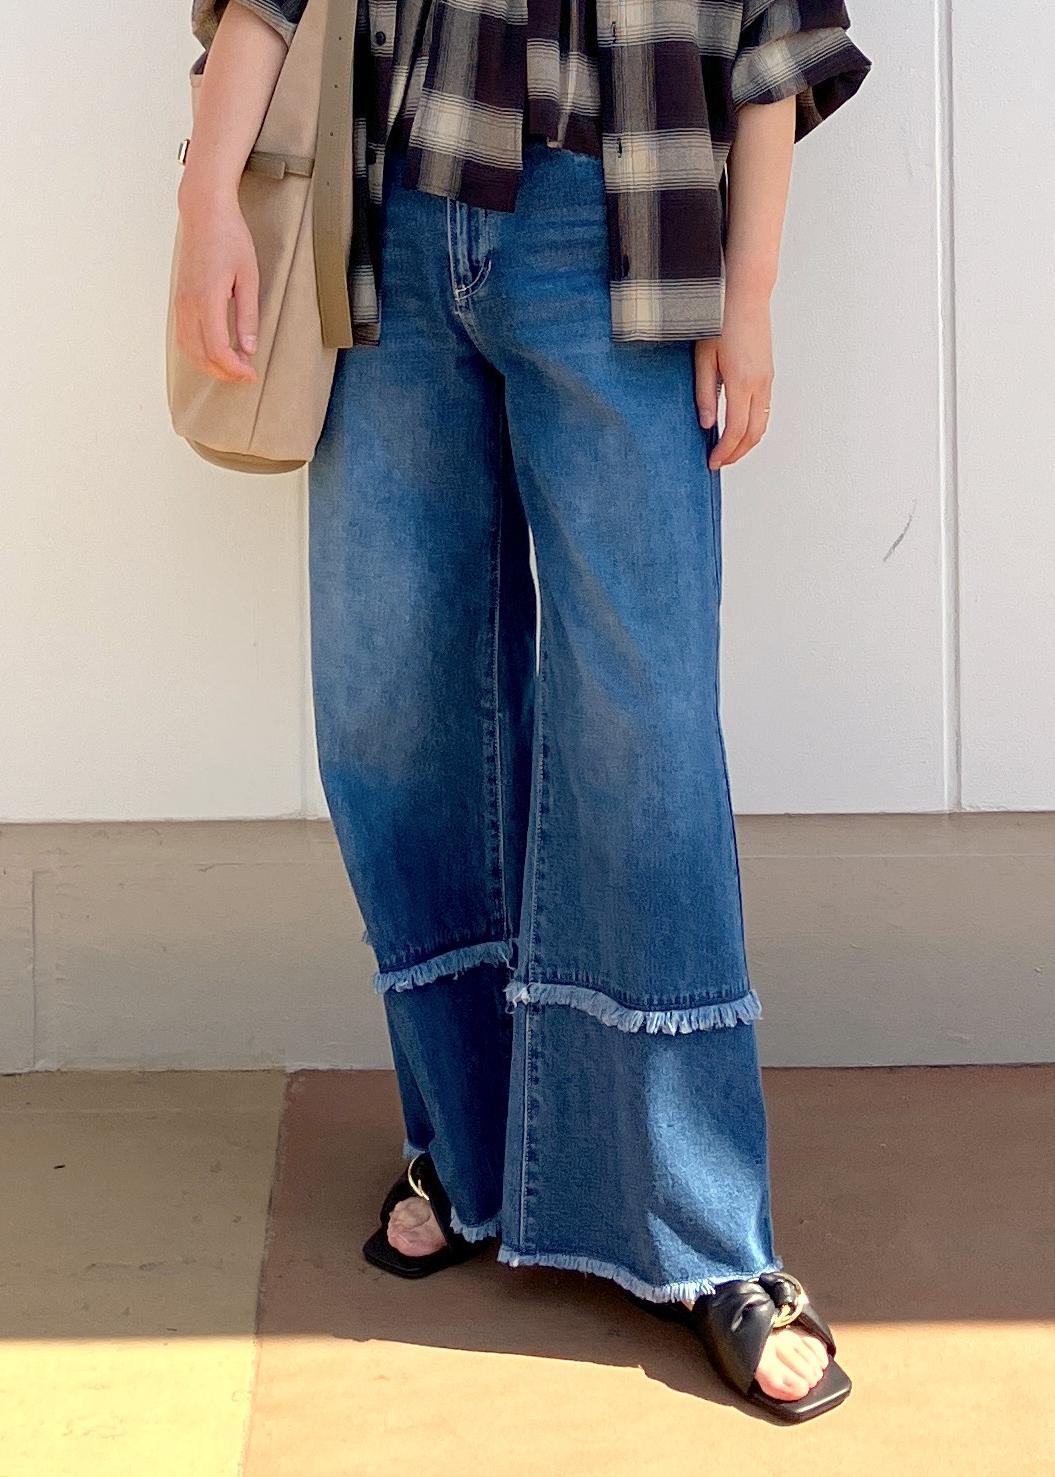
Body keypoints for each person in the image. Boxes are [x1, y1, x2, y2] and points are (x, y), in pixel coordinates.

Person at [177, 0, 871, 1422]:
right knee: (392, 708)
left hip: (613, 227)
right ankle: (475, 1148)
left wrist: (749, 298)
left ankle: (704, 1234)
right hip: (389, 219)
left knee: (642, 733)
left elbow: (779, 32)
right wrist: (207, 199)